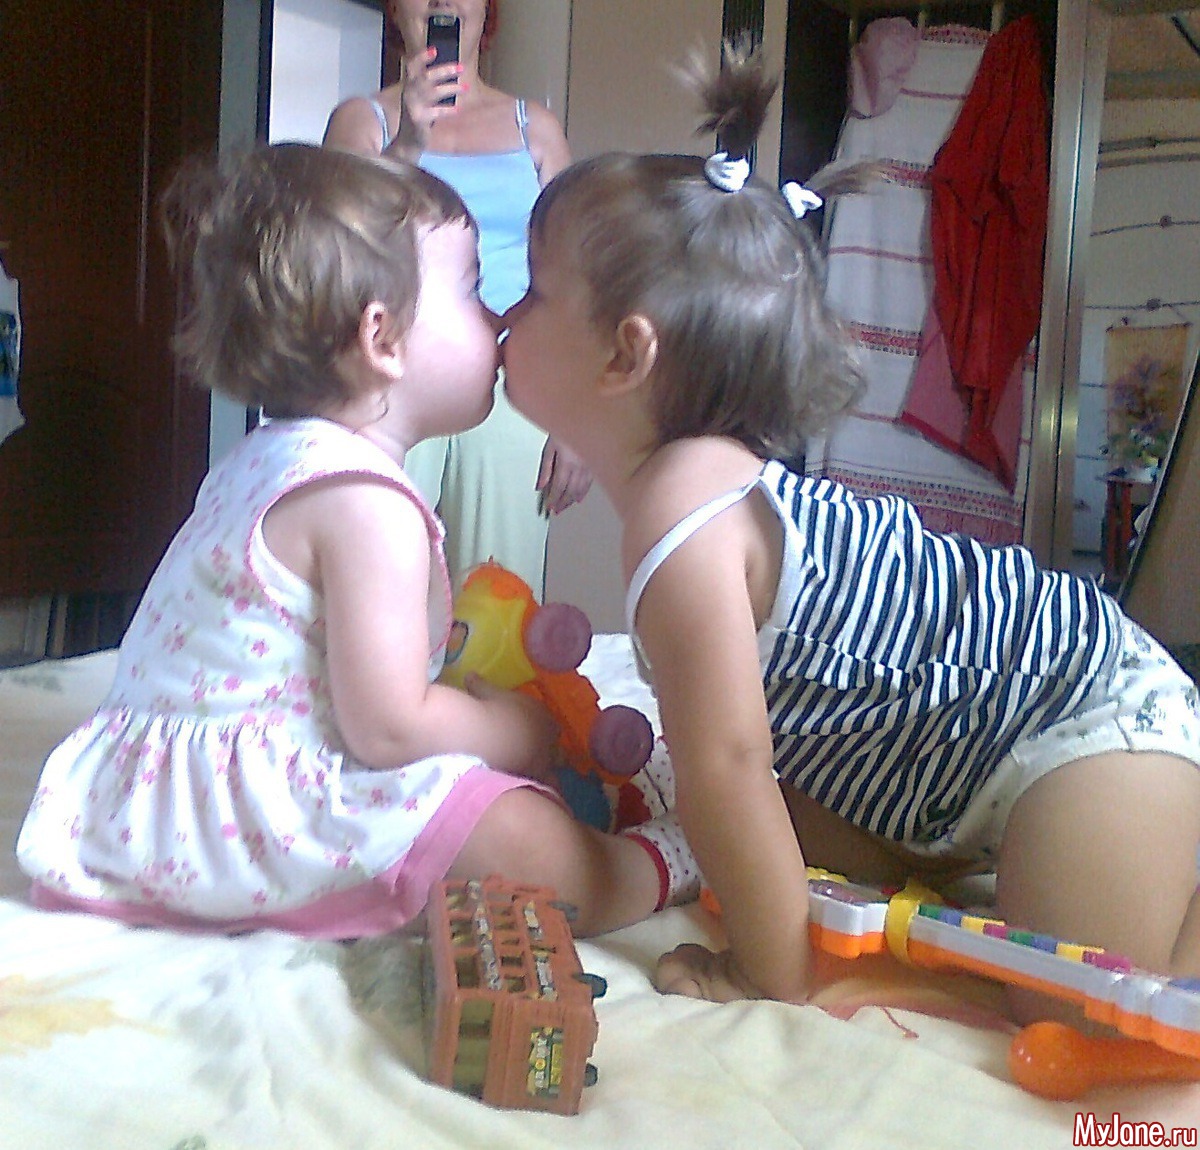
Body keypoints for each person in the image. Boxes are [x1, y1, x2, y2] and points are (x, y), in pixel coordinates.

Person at [498, 43, 1200, 1021]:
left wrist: (767, 972)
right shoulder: (699, 488)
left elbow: (728, 768)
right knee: (777, 826)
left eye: (532, 290)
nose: (504, 313)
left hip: (1083, 725)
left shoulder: (683, 524)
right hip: (954, 773)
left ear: (625, 355)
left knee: (1085, 1005)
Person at [14, 143, 675, 941]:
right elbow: (390, 729)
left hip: (145, 811)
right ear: (383, 339)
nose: (499, 317)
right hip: (247, 820)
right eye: (473, 290)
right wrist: (516, 731)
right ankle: (658, 865)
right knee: (516, 839)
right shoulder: (367, 505)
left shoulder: (262, 460)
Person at [322, 0, 589, 597]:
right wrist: (408, 144)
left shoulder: (536, 128)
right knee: (376, 586)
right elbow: (340, 253)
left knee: (499, 599)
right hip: (387, 385)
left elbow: (575, 279)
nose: (443, 1)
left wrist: (576, 418)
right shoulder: (361, 121)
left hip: (513, 384)